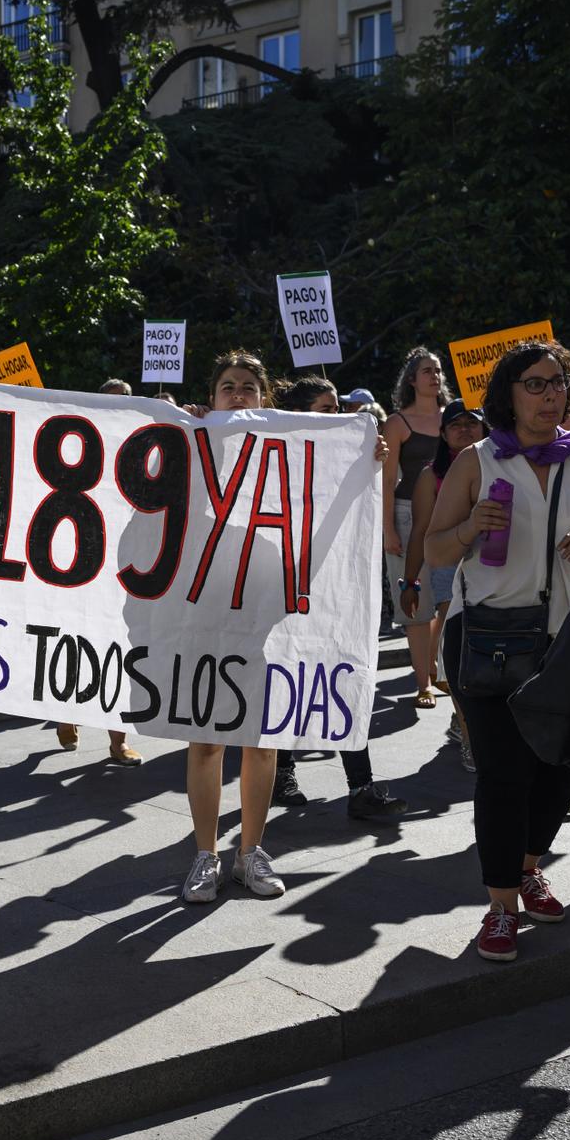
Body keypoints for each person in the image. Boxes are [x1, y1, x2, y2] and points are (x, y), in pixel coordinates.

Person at [424, 342, 570, 964]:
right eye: (535, 384)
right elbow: (435, 551)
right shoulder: (477, 460)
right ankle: (501, 905)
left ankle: (529, 869)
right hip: (490, 638)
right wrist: (469, 527)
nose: (550, 395)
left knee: (558, 773)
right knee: (505, 775)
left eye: (558, 383)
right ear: (508, 394)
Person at [270, 376, 406, 820]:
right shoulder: (275, 449)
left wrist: (372, 462)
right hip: (283, 582)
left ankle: (361, 787)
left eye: (337, 408)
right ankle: (280, 774)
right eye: (327, 410)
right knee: (284, 680)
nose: (339, 417)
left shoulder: (350, 449)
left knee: (344, 677)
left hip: (333, 582)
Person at [181, 351, 286, 904]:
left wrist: (369, 456)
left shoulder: (290, 448)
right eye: (229, 385)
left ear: (265, 398)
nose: (239, 394)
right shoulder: (193, 442)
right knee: (206, 740)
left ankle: (250, 852)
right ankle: (206, 855)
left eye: (249, 386)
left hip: (265, 607)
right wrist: (186, 433)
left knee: (261, 741)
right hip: (204, 608)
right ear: (213, 396)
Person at [52, 375, 147, 767]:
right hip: (81, 563)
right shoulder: (78, 446)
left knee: (119, 652)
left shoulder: (144, 444)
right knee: (76, 642)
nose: (117, 405)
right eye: (109, 399)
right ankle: (66, 710)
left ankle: (117, 742)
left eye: (123, 398)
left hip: (123, 568)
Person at [402, 399, 488, 773]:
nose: (465, 429)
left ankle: (463, 719)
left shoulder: (505, 462)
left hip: (499, 569)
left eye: (473, 422)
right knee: (459, 657)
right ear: (443, 433)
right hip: (448, 570)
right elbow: (420, 531)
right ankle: (471, 739)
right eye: (456, 424)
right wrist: (410, 582)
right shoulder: (430, 476)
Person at [381, 349, 450, 708]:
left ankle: (434, 665)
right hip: (407, 516)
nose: (435, 376)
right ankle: (424, 684)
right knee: (416, 603)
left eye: (437, 370)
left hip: (451, 515)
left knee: (448, 601)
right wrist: (388, 529)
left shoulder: (455, 417)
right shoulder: (397, 423)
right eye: (427, 371)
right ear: (411, 379)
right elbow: (386, 479)